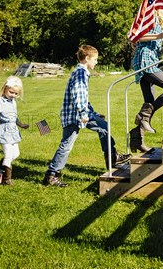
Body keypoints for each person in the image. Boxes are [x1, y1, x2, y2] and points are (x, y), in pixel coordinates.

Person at [42, 45, 131, 187]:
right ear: (87, 58)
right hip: (74, 116)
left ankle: (112, 157)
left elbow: (84, 99)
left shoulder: (82, 72)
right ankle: (51, 175)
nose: (96, 62)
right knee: (66, 145)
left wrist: (94, 114)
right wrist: (83, 114)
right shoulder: (80, 73)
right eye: (95, 59)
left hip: (81, 113)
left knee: (103, 126)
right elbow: (78, 95)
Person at [130, 0, 163, 152]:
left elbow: (155, 51)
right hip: (144, 61)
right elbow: (135, 37)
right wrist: (159, 36)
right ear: (161, 9)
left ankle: (137, 139)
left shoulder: (161, 27)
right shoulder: (151, 21)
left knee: (149, 102)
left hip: (151, 60)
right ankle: (144, 116)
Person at [0, 76, 29, 186]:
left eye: (15, 93)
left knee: (16, 154)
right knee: (8, 154)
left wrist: (20, 124)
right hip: (4, 131)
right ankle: (6, 180)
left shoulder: (13, 102)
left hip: (13, 130)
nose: (13, 95)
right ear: (4, 89)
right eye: (11, 92)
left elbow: (14, 116)